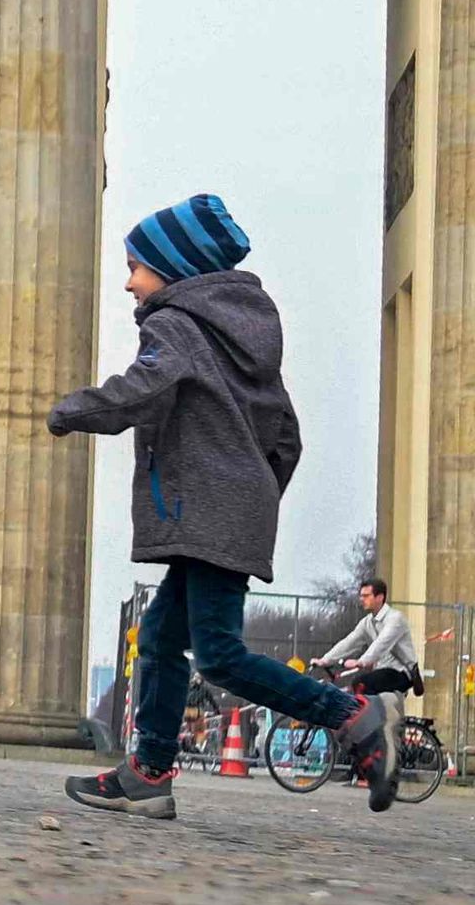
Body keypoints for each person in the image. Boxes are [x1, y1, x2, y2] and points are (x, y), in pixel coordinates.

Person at [51, 193, 388, 818]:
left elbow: (141, 388)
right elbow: (285, 434)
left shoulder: (175, 325)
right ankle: (148, 772)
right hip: (226, 511)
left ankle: (351, 715)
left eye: (136, 267)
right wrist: (254, 496)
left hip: (208, 512)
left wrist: (73, 409)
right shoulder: (241, 341)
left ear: (174, 269)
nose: (128, 283)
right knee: (158, 637)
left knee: (219, 655)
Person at [320, 574, 427, 811]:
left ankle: (380, 744)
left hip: (401, 673)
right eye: (361, 595)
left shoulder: (395, 619)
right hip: (383, 672)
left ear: (380, 597)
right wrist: (326, 659)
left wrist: (361, 661)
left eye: (366, 595)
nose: (362, 600)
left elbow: (382, 645)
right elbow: (350, 641)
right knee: (358, 692)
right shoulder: (368, 622)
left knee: (360, 684)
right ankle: (363, 753)